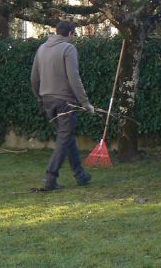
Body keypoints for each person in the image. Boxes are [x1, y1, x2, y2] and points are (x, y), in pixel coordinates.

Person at [31, 20, 94, 192]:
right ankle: (50, 178)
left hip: (47, 100)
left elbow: (34, 78)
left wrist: (39, 98)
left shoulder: (42, 48)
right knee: (64, 138)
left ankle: (80, 175)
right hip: (65, 101)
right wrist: (85, 102)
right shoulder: (68, 48)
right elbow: (74, 78)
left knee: (67, 137)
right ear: (70, 33)